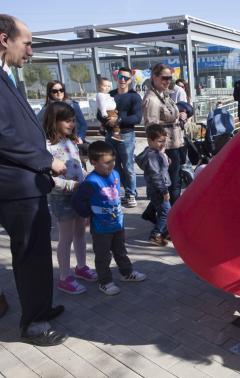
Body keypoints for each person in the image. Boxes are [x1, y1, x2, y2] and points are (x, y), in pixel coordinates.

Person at [0, 13, 68, 346]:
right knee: (30, 254)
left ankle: (39, 307)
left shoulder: (6, 76)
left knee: (36, 254)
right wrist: (46, 160)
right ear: (4, 39)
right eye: (26, 43)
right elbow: (2, 134)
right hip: (16, 185)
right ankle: (34, 324)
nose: (30, 51)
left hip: (23, 183)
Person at [71, 141, 147, 295]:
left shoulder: (116, 174)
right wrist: (88, 214)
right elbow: (77, 201)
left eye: (112, 161)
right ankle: (105, 282)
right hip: (101, 229)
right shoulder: (91, 182)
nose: (111, 165)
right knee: (103, 256)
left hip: (117, 224)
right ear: (93, 162)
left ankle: (127, 273)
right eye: (106, 163)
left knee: (121, 251)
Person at [43, 102, 97, 295]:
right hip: (61, 199)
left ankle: (81, 267)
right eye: (67, 120)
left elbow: (78, 167)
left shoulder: (70, 141)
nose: (72, 124)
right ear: (54, 121)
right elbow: (49, 177)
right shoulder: (47, 147)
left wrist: (85, 180)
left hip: (78, 195)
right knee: (65, 238)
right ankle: (64, 277)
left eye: (73, 120)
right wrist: (70, 185)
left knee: (81, 233)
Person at [96, 67, 142, 208]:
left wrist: (119, 120)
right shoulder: (109, 94)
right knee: (113, 166)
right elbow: (99, 112)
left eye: (126, 78)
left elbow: (137, 117)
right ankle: (119, 192)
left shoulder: (134, 96)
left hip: (127, 134)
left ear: (130, 80)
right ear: (116, 78)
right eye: (120, 76)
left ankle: (131, 193)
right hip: (110, 134)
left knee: (128, 166)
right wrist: (105, 121)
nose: (123, 80)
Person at [143, 64, 187, 206]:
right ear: (154, 77)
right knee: (171, 184)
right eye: (164, 77)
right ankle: (171, 216)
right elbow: (151, 128)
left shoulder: (164, 94)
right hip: (166, 147)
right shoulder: (152, 99)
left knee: (176, 181)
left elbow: (169, 116)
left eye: (170, 78)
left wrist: (180, 115)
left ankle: (169, 213)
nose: (168, 81)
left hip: (175, 144)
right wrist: (161, 152)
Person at [135, 124, 171, 246]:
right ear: (150, 140)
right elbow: (156, 176)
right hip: (158, 189)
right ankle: (156, 234)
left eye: (164, 141)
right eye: (160, 141)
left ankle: (165, 231)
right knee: (166, 212)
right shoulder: (152, 156)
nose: (163, 144)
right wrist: (164, 191)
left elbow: (162, 167)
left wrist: (164, 157)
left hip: (156, 188)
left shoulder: (155, 152)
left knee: (161, 209)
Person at [96, 77, 120, 142]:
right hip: (107, 111)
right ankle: (116, 134)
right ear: (99, 86)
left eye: (109, 86)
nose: (107, 88)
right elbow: (102, 104)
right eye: (104, 86)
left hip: (110, 111)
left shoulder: (106, 95)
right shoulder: (100, 95)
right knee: (116, 122)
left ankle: (102, 129)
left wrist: (114, 109)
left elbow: (110, 103)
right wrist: (104, 113)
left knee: (107, 121)